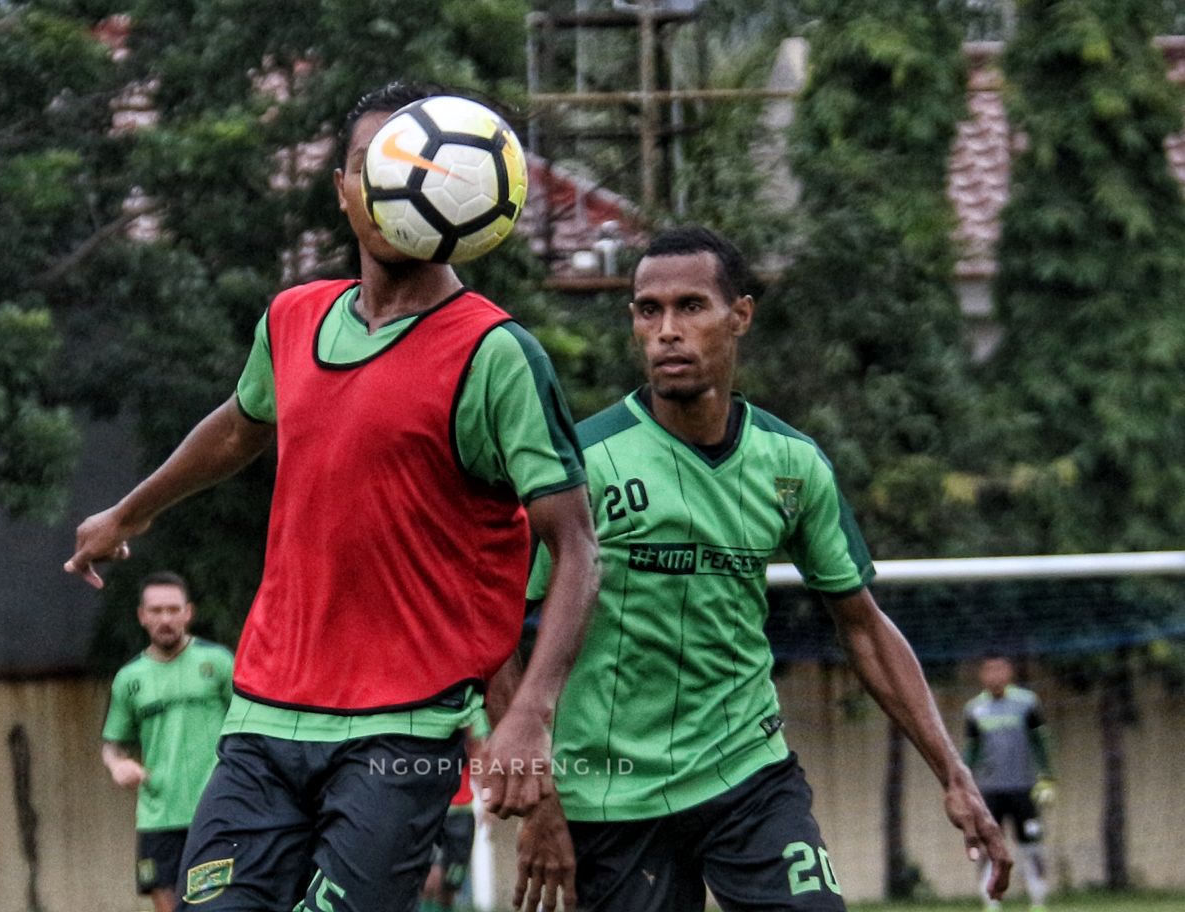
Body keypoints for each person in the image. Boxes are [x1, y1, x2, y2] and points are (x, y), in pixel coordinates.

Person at [66, 81, 599, 912]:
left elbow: (576, 547)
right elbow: (242, 427)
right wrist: (130, 512)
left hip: (404, 729)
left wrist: (530, 711)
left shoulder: (496, 355)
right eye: (372, 165)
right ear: (345, 189)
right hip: (265, 719)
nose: (394, 185)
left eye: (415, 164)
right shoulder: (292, 318)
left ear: (462, 185)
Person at [510, 226, 1012, 912]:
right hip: (610, 792)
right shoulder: (584, 468)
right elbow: (498, 629)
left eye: (691, 306)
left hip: (748, 775)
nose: (666, 331)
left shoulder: (792, 464)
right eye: (648, 310)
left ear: (739, 316)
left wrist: (954, 773)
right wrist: (537, 796)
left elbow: (862, 628)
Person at [101, 572, 235, 912]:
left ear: (188, 613)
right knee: (168, 906)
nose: (165, 619)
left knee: (214, 905)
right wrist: (118, 765)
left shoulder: (218, 663)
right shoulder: (130, 679)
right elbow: (113, 744)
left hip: (214, 811)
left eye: (173, 609)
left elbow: (249, 727)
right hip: (158, 816)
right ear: (142, 616)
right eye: (156, 610)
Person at [964, 656, 1056, 912]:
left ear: (1009, 672)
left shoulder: (1027, 703)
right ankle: (991, 902)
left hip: (1023, 787)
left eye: (1000, 668)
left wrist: (1047, 777)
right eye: (989, 669)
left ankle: (1038, 901)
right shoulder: (974, 708)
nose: (994, 675)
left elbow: (1041, 743)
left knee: (1031, 844)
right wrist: (963, 785)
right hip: (989, 790)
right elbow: (971, 752)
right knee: (988, 847)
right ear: (982, 675)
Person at [419, 744, 478, 912]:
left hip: (462, 814)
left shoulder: (469, 725)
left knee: (449, 886)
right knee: (430, 880)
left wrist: (488, 794)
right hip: (433, 811)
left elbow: (480, 756)